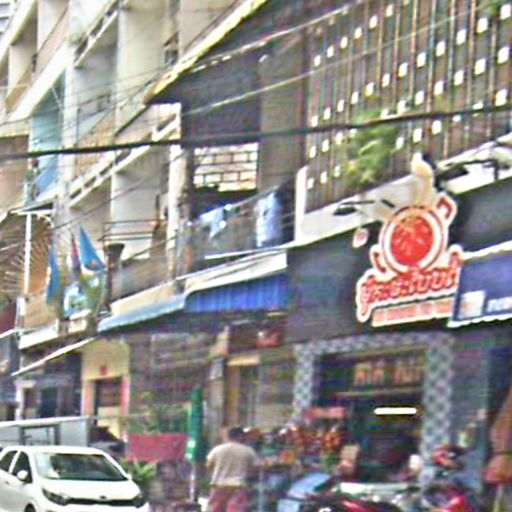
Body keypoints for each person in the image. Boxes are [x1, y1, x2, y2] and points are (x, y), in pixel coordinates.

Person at [207, 426, 258, 512]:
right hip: (238, 485)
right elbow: (254, 468)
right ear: (240, 436)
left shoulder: (217, 449)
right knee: (236, 509)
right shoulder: (248, 451)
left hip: (219, 484)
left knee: (215, 509)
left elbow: (209, 466)